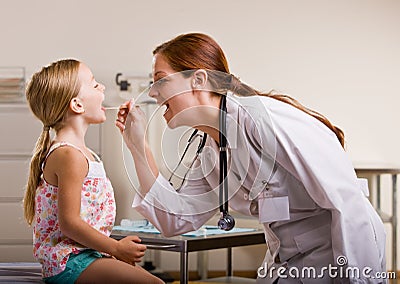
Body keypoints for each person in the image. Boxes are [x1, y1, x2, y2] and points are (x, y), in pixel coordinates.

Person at [116, 33, 386, 283]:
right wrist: (138, 147)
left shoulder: (264, 119)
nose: (152, 93)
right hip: (285, 265)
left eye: (160, 81)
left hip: (335, 263)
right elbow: (174, 220)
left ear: (198, 80)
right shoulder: (211, 151)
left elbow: (348, 205)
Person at [23, 59, 164, 284]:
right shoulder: (68, 155)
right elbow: (69, 223)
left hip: (86, 255)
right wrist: (117, 249)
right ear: (77, 105)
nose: (103, 88)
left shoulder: (84, 153)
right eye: (94, 84)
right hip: (69, 261)